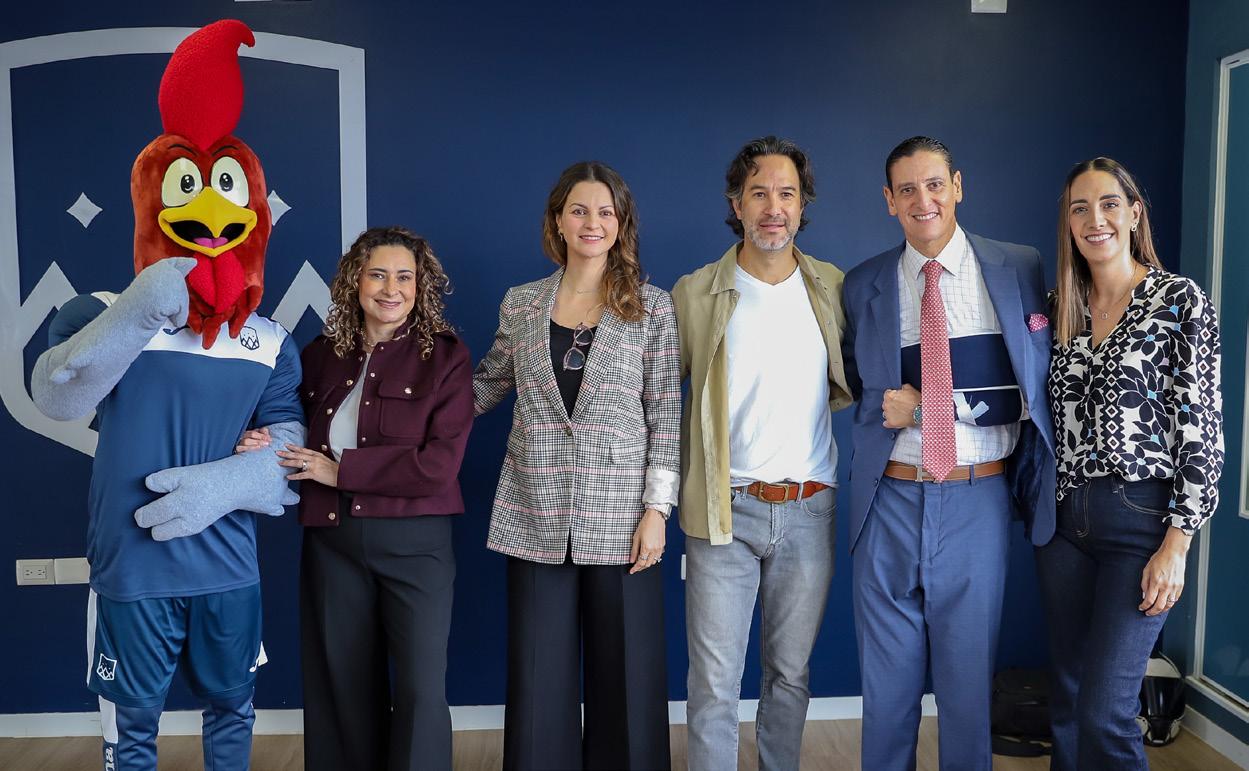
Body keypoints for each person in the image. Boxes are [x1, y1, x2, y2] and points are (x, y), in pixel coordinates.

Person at [840, 136, 1056, 771]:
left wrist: (933, 408)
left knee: (967, 693)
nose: (923, 200)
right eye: (906, 189)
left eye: (934, 184)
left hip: (976, 498)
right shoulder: (863, 284)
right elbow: (861, 390)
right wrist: (901, 407)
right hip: (887, 501)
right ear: (889, 200)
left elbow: (1035, 389)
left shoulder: (1019, 268)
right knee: (886, 695)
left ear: (957, 186)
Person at [239, 226, 474, 771]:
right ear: (355, 282)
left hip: (416, 545)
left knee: (419, 689)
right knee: (341, 686)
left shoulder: (446, 358)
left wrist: (340, 471)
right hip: (333, 542)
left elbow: (439, 466)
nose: (391, 289)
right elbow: (291, 426)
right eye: (378, 275)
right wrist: (263, 437)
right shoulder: (320, 355)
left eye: (404, 277)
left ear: (421, 286)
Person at [473, 161, 680, 770]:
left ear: (621, 224)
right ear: (558, 220)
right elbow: (486, 385)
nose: (593, 222)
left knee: (627, 680)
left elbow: (665, 414)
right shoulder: (522, 303)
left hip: (623, 519)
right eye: (579, 210)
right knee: (539, 680)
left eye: (605, 212)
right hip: (534, 512)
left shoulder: (652, 307)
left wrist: (657, 511)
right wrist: (406, 403)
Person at [672, 135, 852, 770]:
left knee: (790, 675)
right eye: (759, 194)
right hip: (724, 510)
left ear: (802, 205)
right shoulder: (694, 293)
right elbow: (660, 399)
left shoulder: (832, 286)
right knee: (714, 684)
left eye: (787, 194)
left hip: (809, 509)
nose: (773, 208)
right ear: (736, 204)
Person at [1039, 157, 1223, 770]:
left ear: (1135, 213)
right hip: (1064, 521)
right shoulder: (1060, 307)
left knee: (1106, 711)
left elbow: (1201, 426)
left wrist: (1179, 543)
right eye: (1080, 208)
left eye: (1109, 204)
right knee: (1067, 701)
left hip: (1141, 520)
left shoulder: (1178, 301)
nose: (1096, 219)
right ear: (1068, 223)